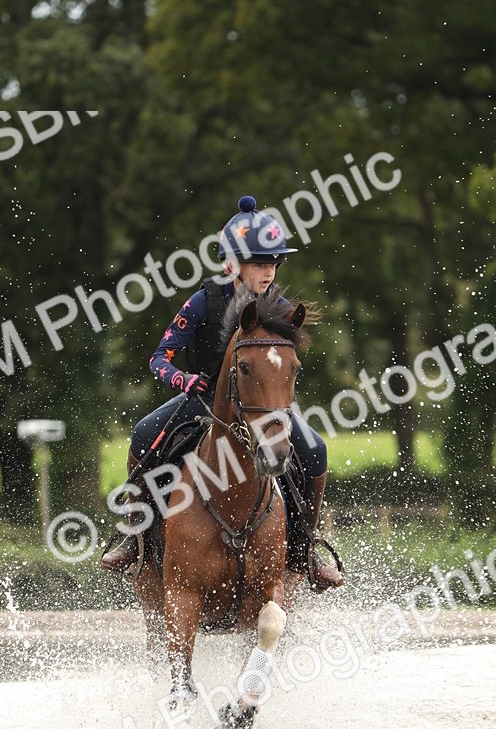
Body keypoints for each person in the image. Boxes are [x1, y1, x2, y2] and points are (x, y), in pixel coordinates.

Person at [101, 195, 343, 590]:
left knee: (315, 450)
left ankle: (305, 549)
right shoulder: (203, 301)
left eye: (273, 262)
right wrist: (184, 380)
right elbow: (159, 358)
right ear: (232, 262)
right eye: (259, 263)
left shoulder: (281, 309)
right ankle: (135, 537)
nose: (268, 271)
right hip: (202, 399)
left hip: (260, 407)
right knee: (144, 434)